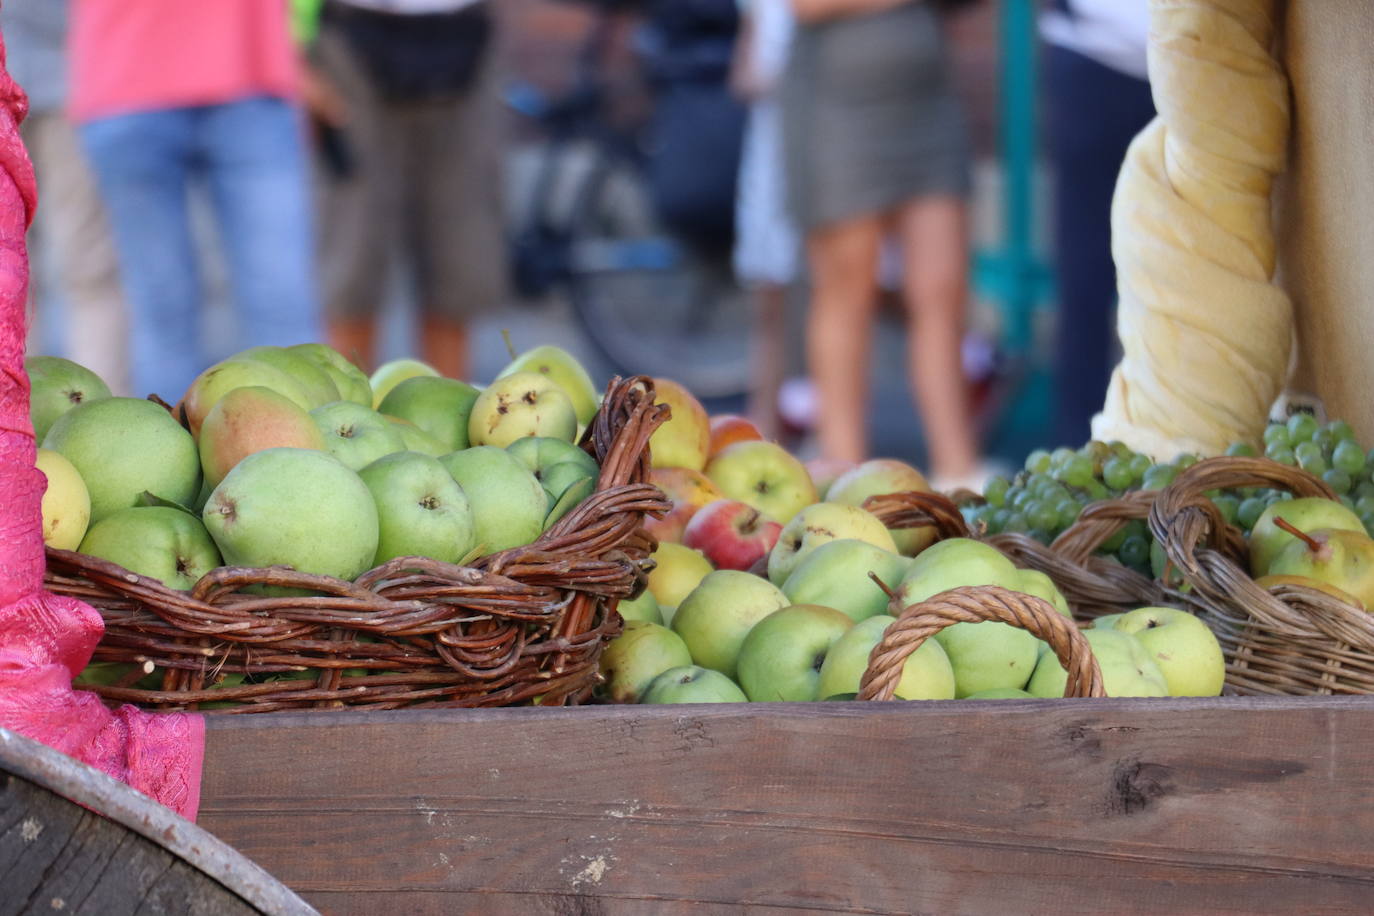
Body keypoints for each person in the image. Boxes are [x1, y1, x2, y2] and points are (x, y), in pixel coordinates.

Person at [69, 0, 323, 401]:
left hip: (244, 76)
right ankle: (171, 454)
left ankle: (311, 454)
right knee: (166, 309)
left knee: (276, 305)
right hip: (133, 84)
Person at [782, 0, 983, 487]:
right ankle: (843, 471)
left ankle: (960, 470)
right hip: (839, 105)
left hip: (926, 101)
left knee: (942, 290)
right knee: (847, 290)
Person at [304, 0, 504, 380]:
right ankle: (340, 420)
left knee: (457, 262)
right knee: (352, 261)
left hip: (465, 31)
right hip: (349, 37)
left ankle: (449, 420)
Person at [1040, 0, 1153, 446]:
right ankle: (1077, 455)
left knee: (1195, 270)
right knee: (1084, 272)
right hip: (1093, 54)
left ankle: (1189, 447)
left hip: (1201, 61)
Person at [4, 0, 129, 394]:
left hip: (70, 90)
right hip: (71, 82)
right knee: (82, 271)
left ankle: (91, 412)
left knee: (83, 268)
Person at [731, 0, 797, 437]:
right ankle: (766, 421)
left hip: (840, 132)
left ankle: (971, 356)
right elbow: (746, 71)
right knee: (771, 289)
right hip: (776, 140)